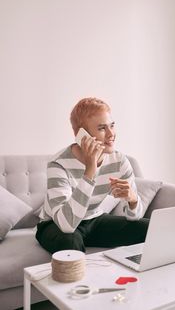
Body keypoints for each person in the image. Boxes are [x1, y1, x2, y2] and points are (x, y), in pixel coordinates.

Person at [36, 97, 149, 253]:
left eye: (112, 126)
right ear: (82, 136)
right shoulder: (58, 164)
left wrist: (133, 200)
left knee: (151, 228)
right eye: (102, 128)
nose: (111, 134)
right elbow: (67, 225)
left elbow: (134, 218)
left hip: (94, 219)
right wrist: (90, 169)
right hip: (55, 224)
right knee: (70, 241)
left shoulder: (119, 161)